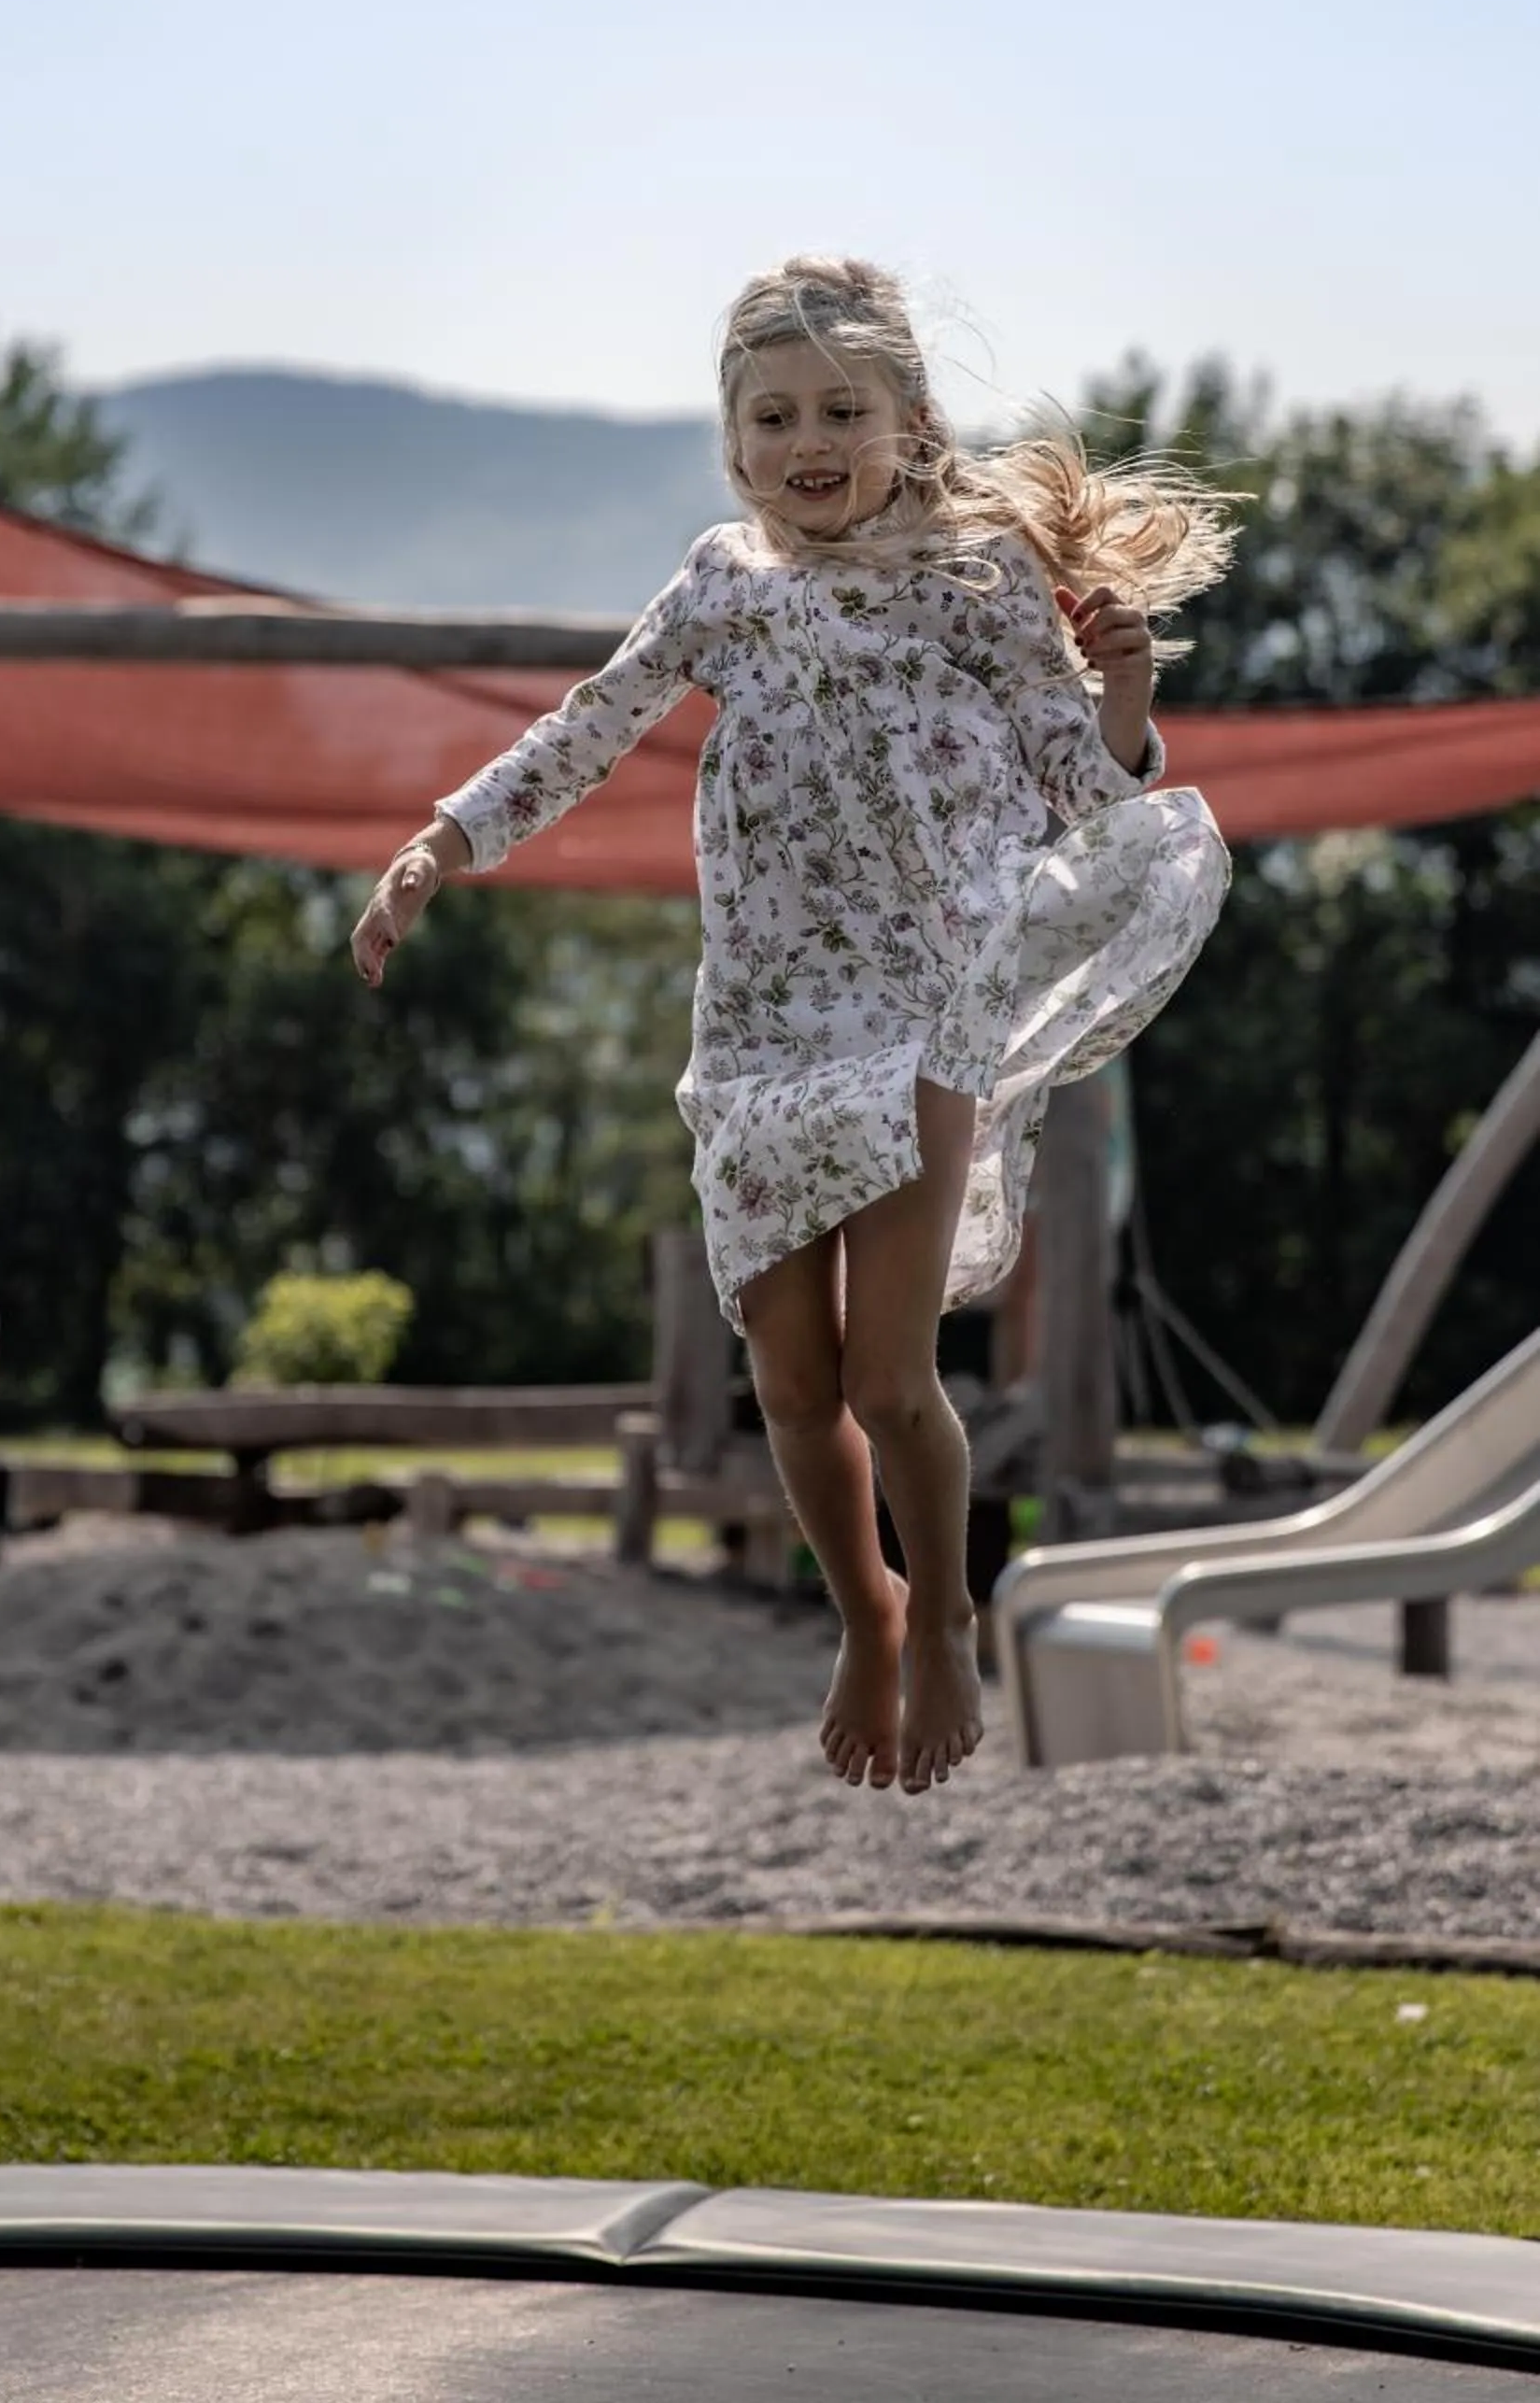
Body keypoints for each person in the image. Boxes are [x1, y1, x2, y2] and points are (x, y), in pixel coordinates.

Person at [350, 257, 1234, 1799]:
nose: (806, 440)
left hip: (916, 1015)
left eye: (841, 410)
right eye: (773, 416)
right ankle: (864, 1608)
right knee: (790, 1385)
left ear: (907, 422)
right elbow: (586, 728)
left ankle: (948, 1615)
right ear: (730, 440)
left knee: (892, 1384)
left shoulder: (975, 578)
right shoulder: (719, 584)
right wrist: (441, 843)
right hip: (756, 1025)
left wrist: (1127, 692)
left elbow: (1078, 796)